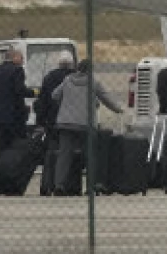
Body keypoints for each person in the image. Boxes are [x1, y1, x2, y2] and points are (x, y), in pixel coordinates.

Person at [51, 59, 123, 196]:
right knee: (90, 155)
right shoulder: (93, 82)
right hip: (86, 124)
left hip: (66, 123)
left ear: (78, 68)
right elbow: (105, 98)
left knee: (64, 155)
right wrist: (118, 109)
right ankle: (90, 187)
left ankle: (59, 185)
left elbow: (54, 95)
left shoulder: (67, 80)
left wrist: (67, 104)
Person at [34, 51, 75, 137]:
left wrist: (40, 122)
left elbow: (43, 100)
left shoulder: (49, 77)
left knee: (53, 141)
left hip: (53, 116)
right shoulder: (77, 76)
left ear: (59, 63)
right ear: (72, 63)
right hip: (74, 117)